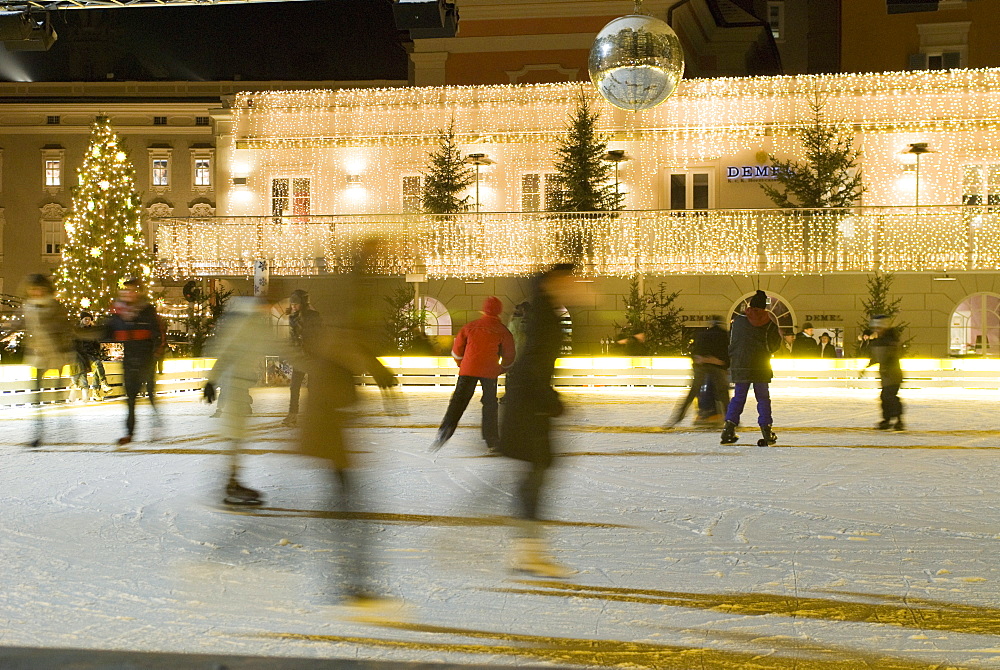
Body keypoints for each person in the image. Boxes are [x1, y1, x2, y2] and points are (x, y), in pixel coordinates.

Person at [499, 264, 579, 578]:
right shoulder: (546, 315)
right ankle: (527, 552)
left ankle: (526, 551)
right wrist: (551, 400)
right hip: (529, 402)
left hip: (529, 399)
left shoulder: (545, 309)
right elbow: (532, 362)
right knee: (537, 471)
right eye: (570, 280)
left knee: (537, 471)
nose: (575, 285)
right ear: (554, 282)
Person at [203, 297, 277, 505]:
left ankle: (233, 481)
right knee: (236, 435)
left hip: (240, 385)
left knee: (237, 435)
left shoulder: (254, 323)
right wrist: (212, 380)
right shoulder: (246, 324)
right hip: (235, 385)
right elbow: (227, 352)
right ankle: (232, 484)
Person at [431, 296, 515, 453]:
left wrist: (461, 363)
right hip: (490, 372)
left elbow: (457, 350)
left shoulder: (469, 327)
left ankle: (445, 430)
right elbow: (510, 355)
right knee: (490, 404)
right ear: (499, 312)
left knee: (458, 401)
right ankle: (492, 441)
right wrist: (502, 368)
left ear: (483, 310)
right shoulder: (503, 330)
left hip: (468, 369)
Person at [106, 278, 163, 447]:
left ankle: (156, 425)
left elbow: (158, 334)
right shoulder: (118, 313)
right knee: (131, 399)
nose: (128, 293)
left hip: (147, 359)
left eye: (132, 290)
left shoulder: (147, 310)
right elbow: (107, 331)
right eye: (126, 290)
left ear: (139, 292)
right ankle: (129, 433)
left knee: (151, 395)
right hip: (129, 360)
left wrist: (156, 353)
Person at [720, 290, 781, 446]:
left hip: (741, 364)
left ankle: (728, 429)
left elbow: (731, 342)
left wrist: (734, 357)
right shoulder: (769, 323)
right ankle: (766, 431)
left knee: (739, 397)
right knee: (763, 398)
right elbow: (775, 344)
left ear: (750, 305)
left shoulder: (738, 321)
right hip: (760, 365)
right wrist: (765, 351)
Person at [22, 274, 74, 448]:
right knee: (37, 397)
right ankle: (38, 434)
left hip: (56, 353)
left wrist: (64, 348)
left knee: (59, 395)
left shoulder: (54, 306)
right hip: (38, 355)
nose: (35, 292)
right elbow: (25, 326)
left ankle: (65, 429)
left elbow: (65, 328)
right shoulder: (28, 307)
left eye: (38, 288)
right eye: (33, 289)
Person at [666, 316, 730, 428]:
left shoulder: (702, 335)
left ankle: (676, 419)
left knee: (692, 393)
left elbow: (694, 352)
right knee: (723, 395)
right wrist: (722, 364)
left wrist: (700, 360)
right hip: (717, 367)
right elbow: (727, 353)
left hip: (701, 366)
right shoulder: (724, 335)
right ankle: (732, 420)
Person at [282, 288, 322, 427]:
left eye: (296, 303)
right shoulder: (292, 318)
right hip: (300, 357)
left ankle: (315, 415)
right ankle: (292, 415)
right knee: (294, 387)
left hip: (313, 356)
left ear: (303, 303)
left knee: (313, 387)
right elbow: (292, 338)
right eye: (292, 304)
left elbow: (319, 335)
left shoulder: (314, 316)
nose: (293, 306)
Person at [863, 315, 904, 431]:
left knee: (888, 396)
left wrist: (885, 365)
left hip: (893, 375)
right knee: (886, 397)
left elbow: (890, 355)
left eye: (878, 327)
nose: (876, 330)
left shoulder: (890, 340)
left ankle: (895, 420)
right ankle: (891, 420)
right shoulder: (882, 340)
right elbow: (877, 357)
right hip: (886, 376)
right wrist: (867, 366)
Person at [71, 311, 110, 401]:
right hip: (82, 356)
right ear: (81, 320)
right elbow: (75, 344)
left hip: (91, 354)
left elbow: (96, 344)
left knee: (97, 367)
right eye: (86, 319)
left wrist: (98, 351)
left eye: (89, 319)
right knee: (97, 364)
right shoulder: (77, 330)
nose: (87, 321)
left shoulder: (92, 330)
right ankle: (102, 385)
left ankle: (97, 391)